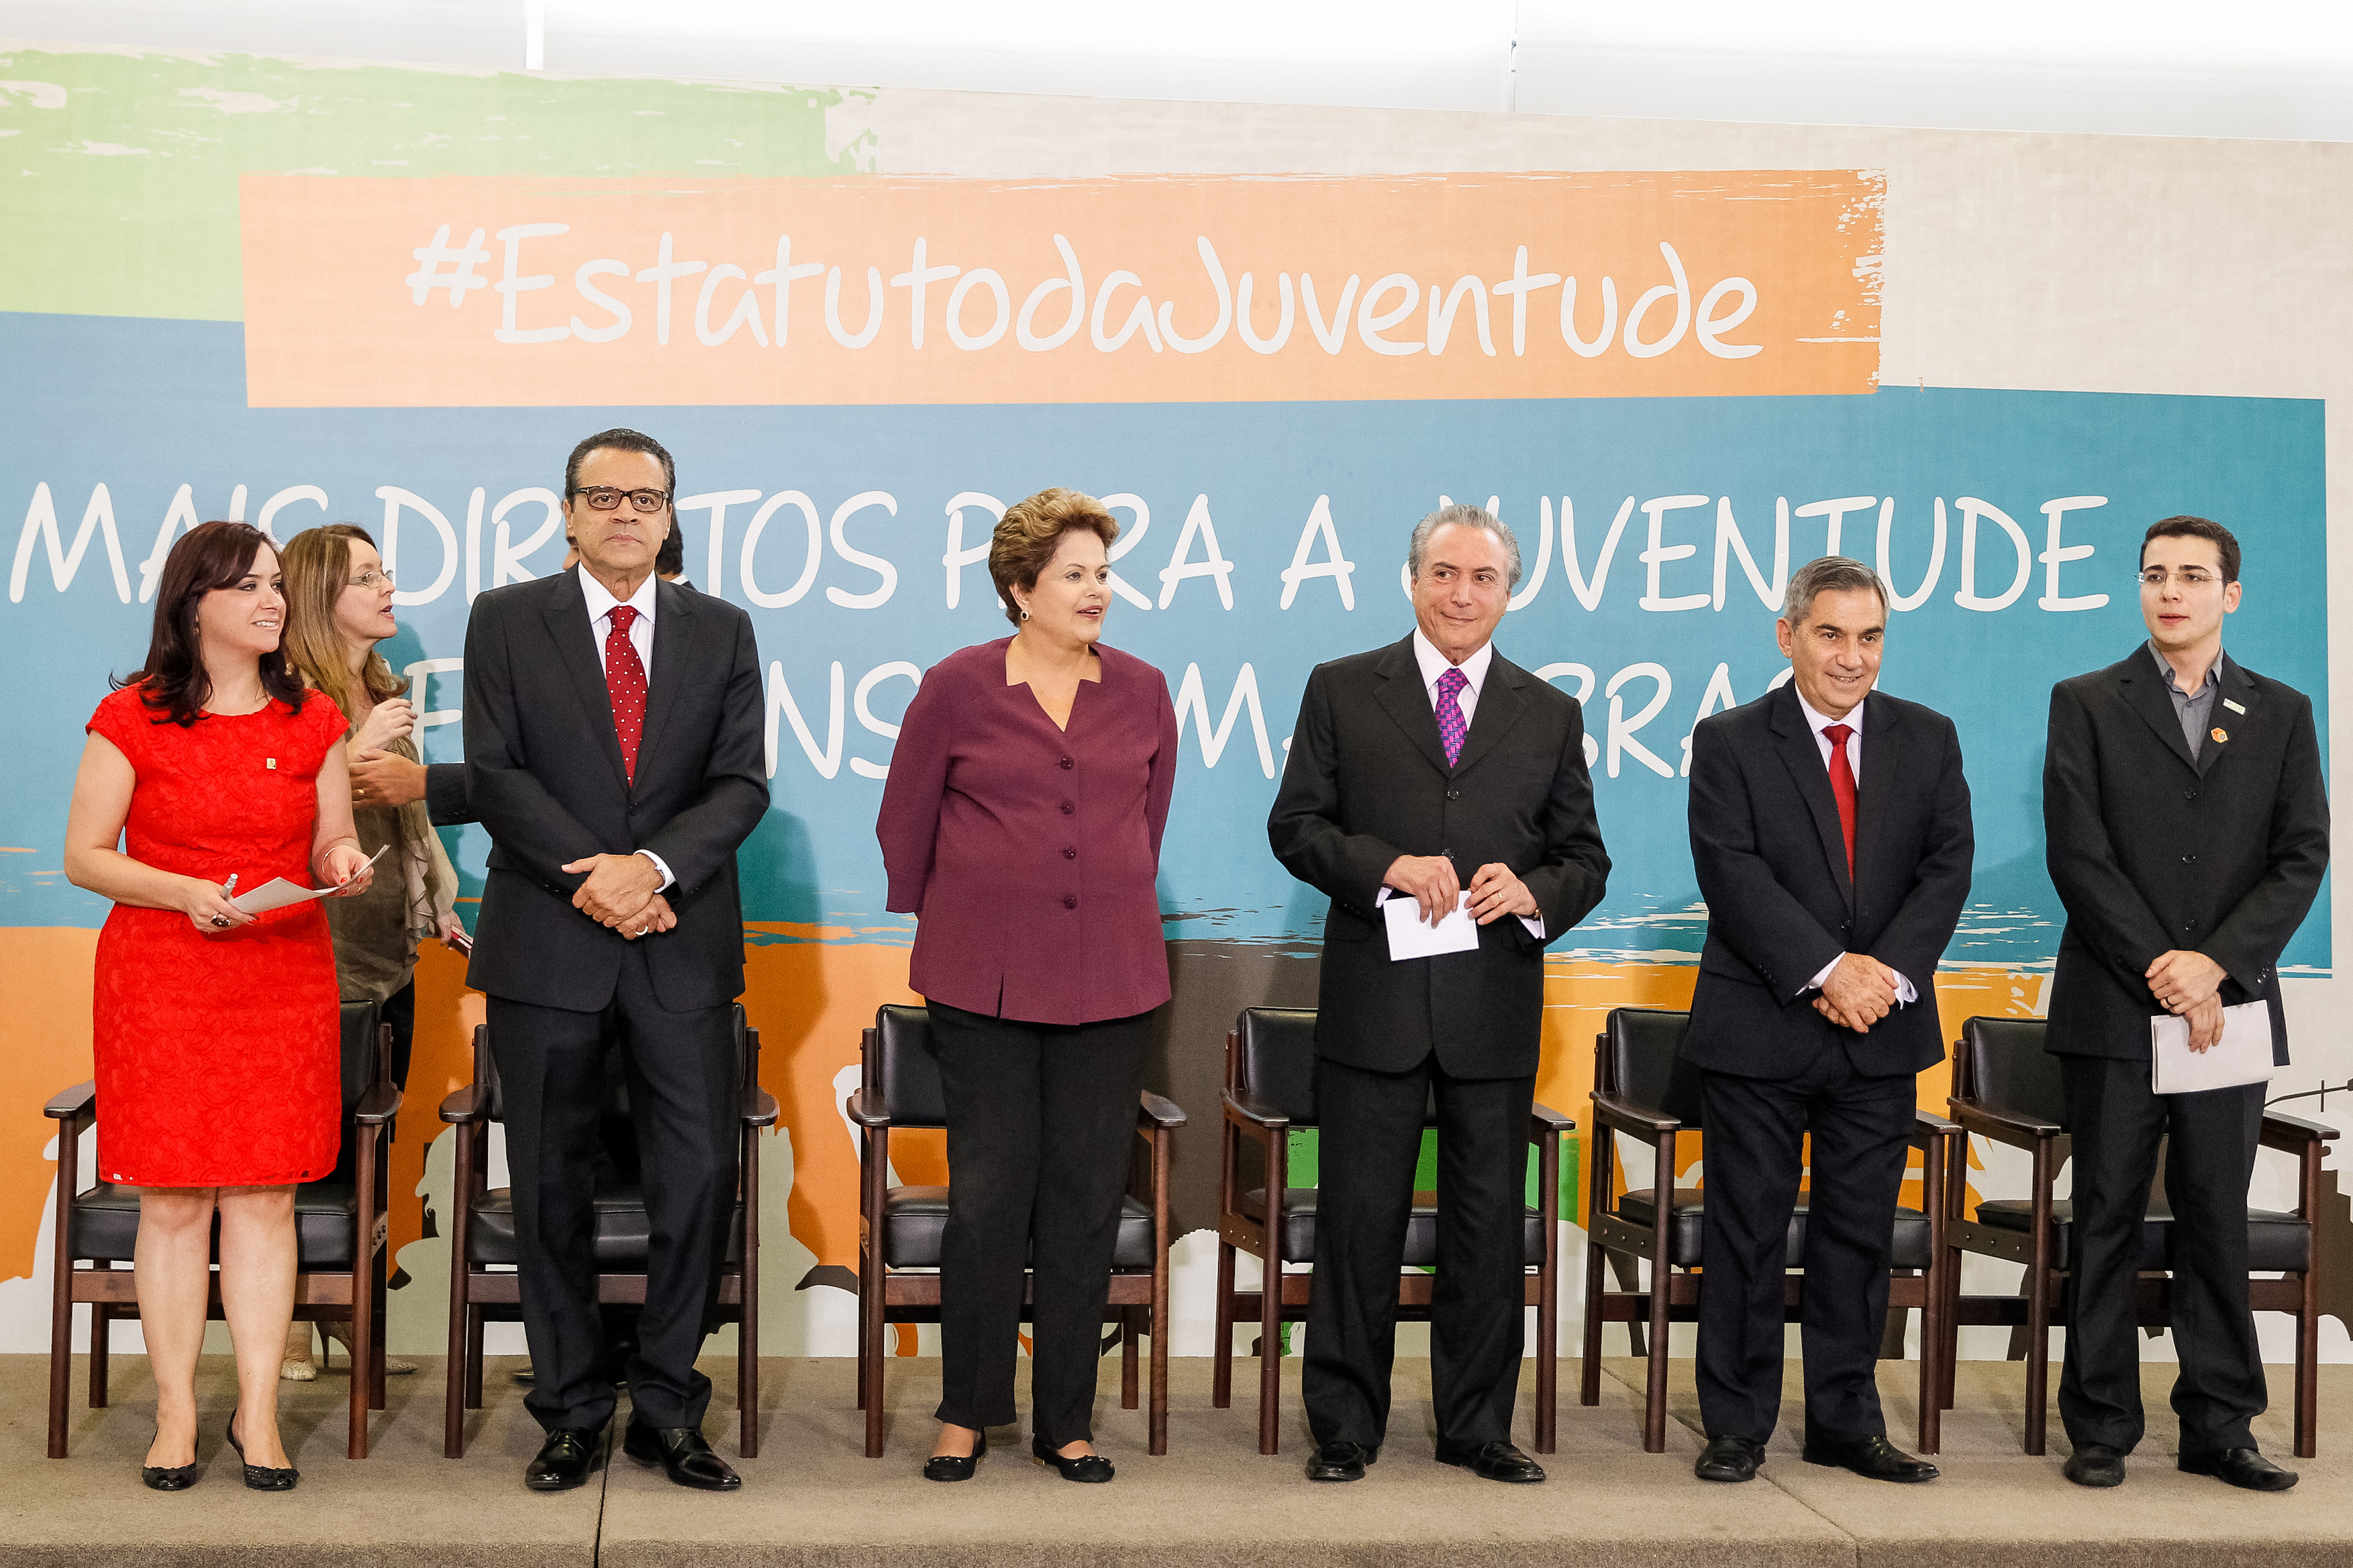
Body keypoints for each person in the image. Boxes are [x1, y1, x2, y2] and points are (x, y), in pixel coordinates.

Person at [1266, 503, 1609, 1485]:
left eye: (1484, 578)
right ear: (1411, 580)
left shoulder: (1548, 712)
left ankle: (1474, 1427)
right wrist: (1385, 868)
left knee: (1485, 1232)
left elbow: (1586, 858)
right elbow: (1296, 827)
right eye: (1445, 574)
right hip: (1373, 1006)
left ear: (1510, 590)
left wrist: (1533, 890)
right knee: (1357, 1225)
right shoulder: (1341, 689)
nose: (1463, 594)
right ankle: (1343, 1426)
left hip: (1490, 1011)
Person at [462, 427, 767, 1494]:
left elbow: (740, 785)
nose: (626, 512)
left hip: (678, 943)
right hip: (548, 941)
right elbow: (495, 773)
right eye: (604, 496)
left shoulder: (721, 630)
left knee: (699, 1180)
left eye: (646, 497)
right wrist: (588, 877)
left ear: (672, 512)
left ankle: (670, 1408)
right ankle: (572, 1409)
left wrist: (650, 869)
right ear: (568, 512)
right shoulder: (506, 620)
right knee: (549, 1185)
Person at [875, 487, 1181, 1485]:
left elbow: (1147, 823)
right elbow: (905, 822)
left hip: (1113, 979)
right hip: (983, 982)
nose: (1097, 590)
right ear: (1020, 588)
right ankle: (966, 1412)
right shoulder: (956, 686)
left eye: (1103, 572)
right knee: (988, 1199)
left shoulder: (1141, 688)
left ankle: (1067, 1422)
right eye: (1074, 574)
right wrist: (974, 919)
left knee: (1086, 1201)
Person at [62, 521, 376, 1492]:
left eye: (277, 585)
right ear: (194, 604)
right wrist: (181, 890)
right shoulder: (132, 716)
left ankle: (257, 1411)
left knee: (265, 1198)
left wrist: (343, 865)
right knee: (171, 1201)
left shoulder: (315, 717)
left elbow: (331, 841)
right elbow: (86, 856)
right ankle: (172, 1412)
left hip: (279, 972)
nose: (272, 601)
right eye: (248, 587)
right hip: (164, 977)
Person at [2042, 515, 2327, 1492]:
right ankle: (2101, 1425)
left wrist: (2215, 966)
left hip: (2229, 1007)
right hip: (2115, 1004)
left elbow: (2301, 855)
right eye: (2155, 574)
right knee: (2107, 1212)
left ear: (2228, 595)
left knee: (2216, 1217)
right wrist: (2164, 968)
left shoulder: (2281, 711)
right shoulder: (2083, 701)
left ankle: (2220, 1424)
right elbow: (2076, 852)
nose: (2172, 590)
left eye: (2193, 575)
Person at [1680, 556, 1972, 1486]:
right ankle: (1736, 1424)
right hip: (1760, 1026)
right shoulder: (1728, 741)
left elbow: (1945, 867)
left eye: (1869, 636)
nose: (1852, 657)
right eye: (1831, 633)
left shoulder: (1927, 738)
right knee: (1747, 1231)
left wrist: (1880, 975)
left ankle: (1845, 1421)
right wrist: (1823, 971)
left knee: (1856, 1236)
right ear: (1788, 636)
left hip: (1879, 1030)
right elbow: (1731, 873)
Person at [276, 522, 464, 1381]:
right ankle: (281, 1319)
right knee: (300, 1148)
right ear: (320, 599)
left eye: (385, 572)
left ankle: (345, 1307)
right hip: (313, 960)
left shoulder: (383, 692)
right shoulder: (286, 700)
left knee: (371, 1141)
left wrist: (440, 904)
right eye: (365, 577)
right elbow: (275, 818)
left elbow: (409, 825)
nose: (387, 587)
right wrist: (355, 751)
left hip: (391, 953)